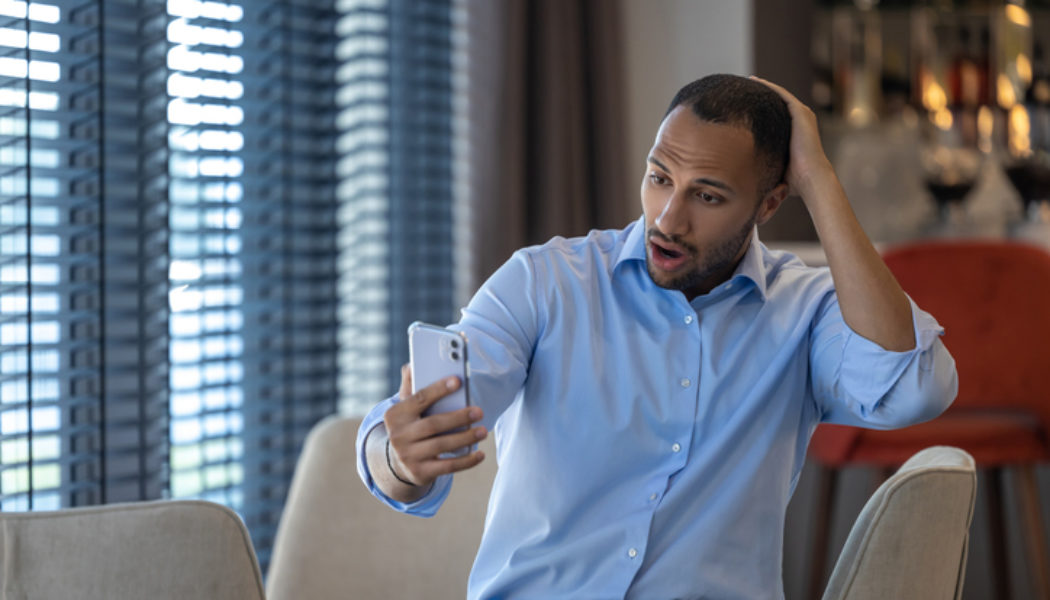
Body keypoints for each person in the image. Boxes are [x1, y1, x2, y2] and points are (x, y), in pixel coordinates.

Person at [355, 73, 958, 599]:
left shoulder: (803, 311)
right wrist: (397, 454)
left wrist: (819, 178)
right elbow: (415, 432)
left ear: (770, 203)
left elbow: (913, 388)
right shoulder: (545, 283)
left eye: (708, 195)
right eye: (659, 177)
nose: (668, 217)